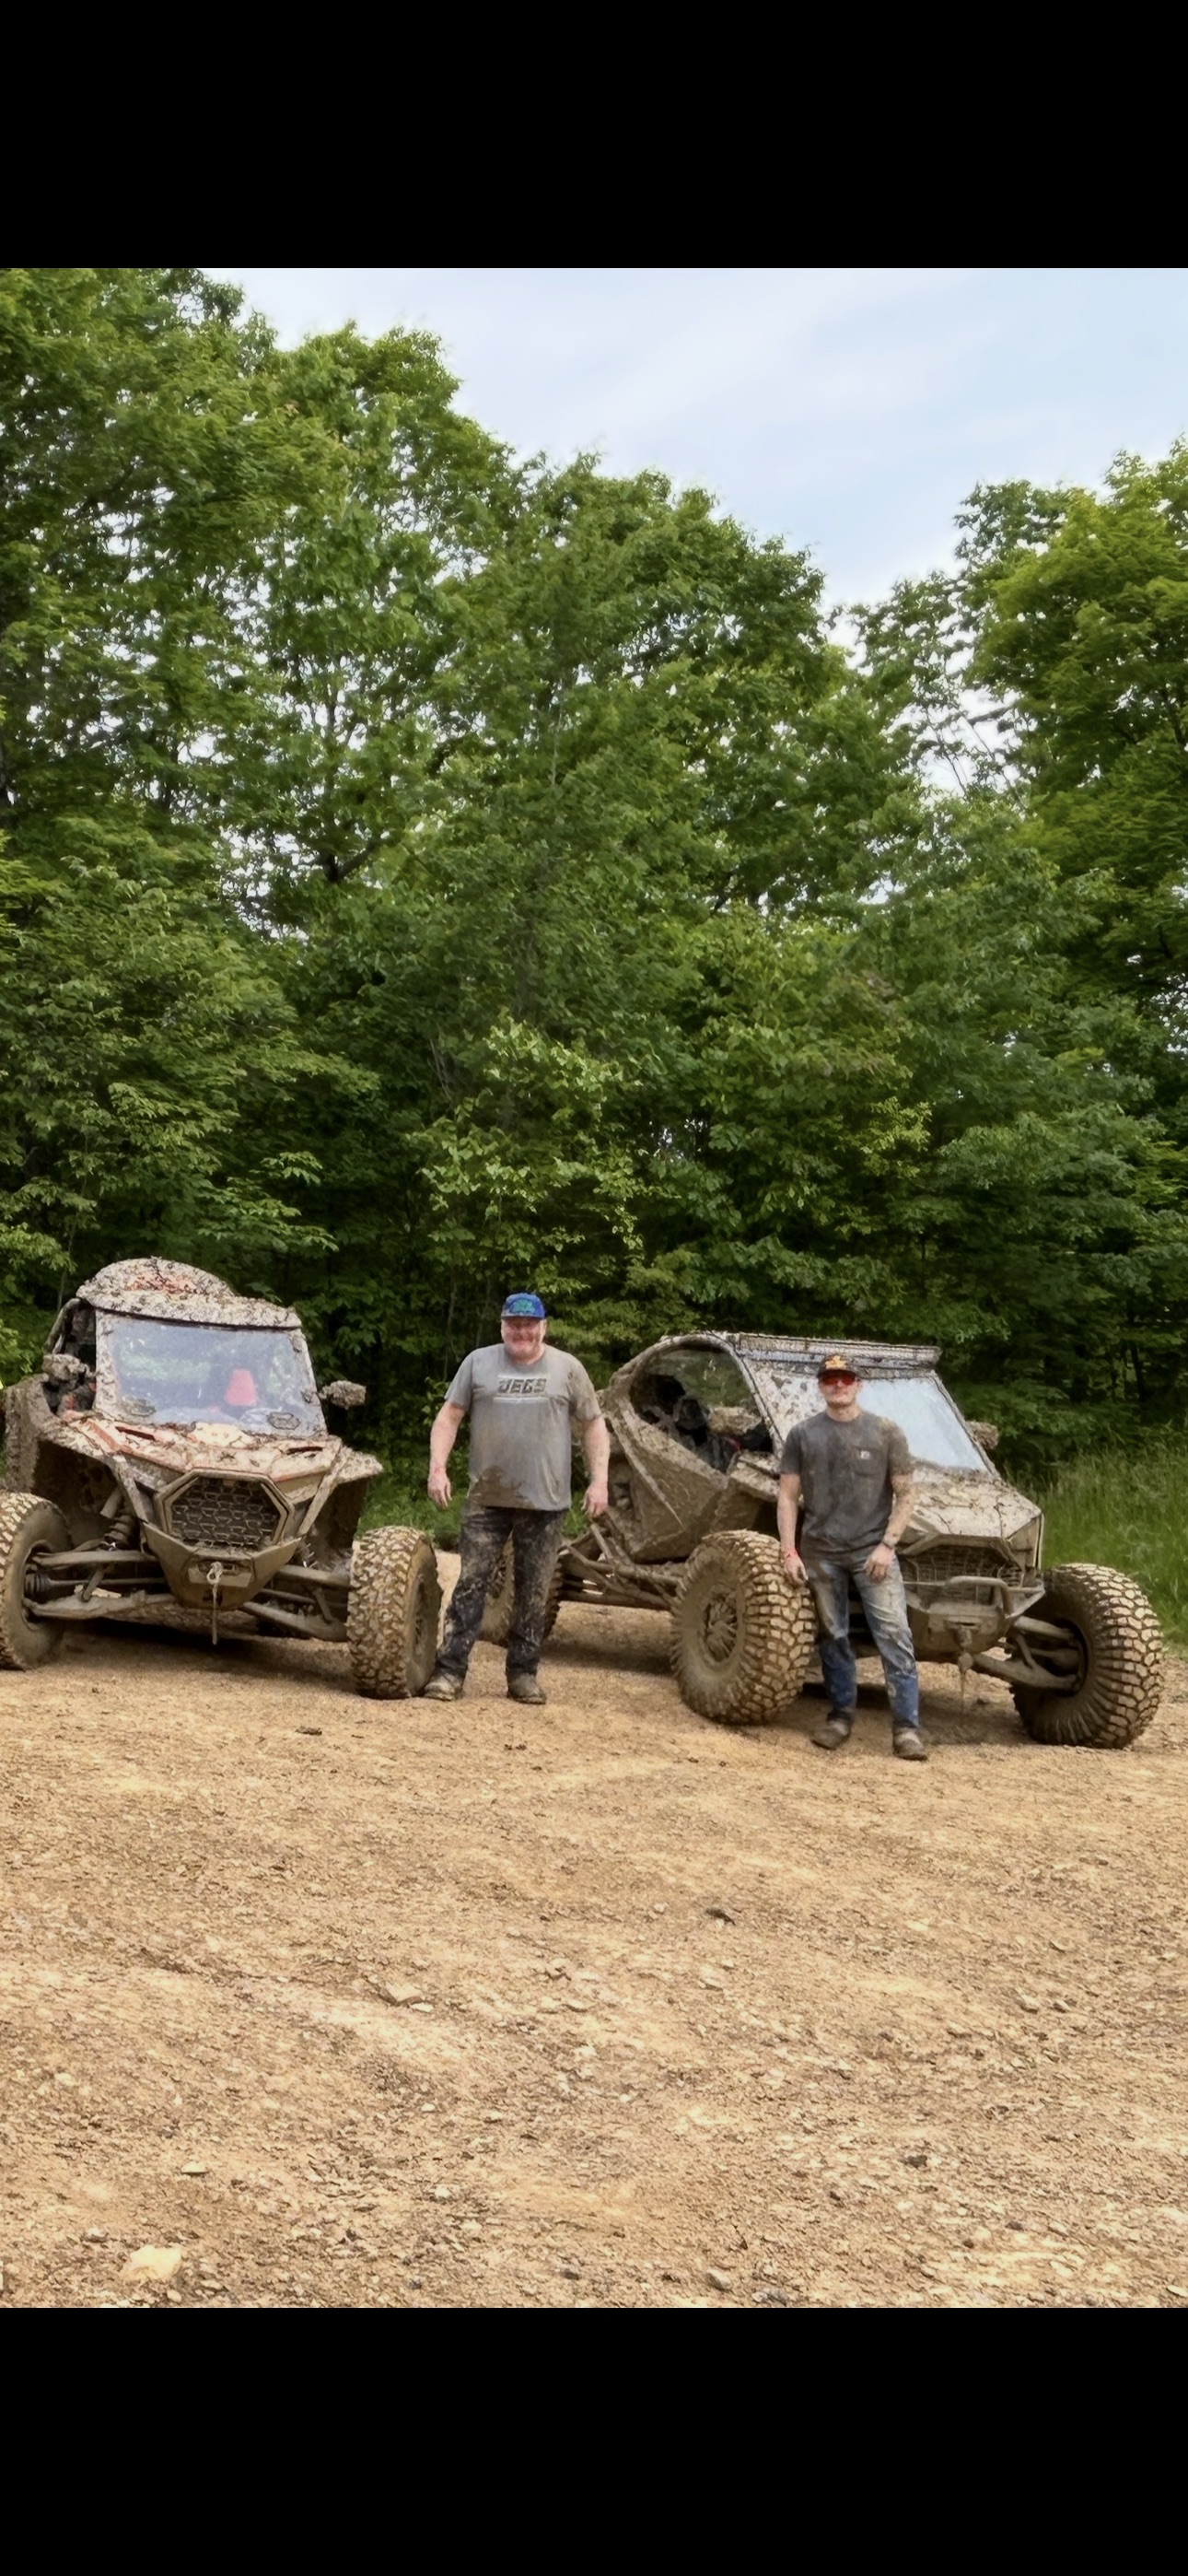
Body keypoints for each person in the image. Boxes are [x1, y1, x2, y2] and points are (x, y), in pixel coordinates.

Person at [422, 1294, 611, 1706]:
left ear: (544, 1326)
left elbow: (594, 1425)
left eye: (529, 1324)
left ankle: (523, 1674)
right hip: (487, 1498)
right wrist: (438, 1468)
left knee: (534, 1589)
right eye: (513, 1324)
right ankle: (450, 1671)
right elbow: (448, 1417)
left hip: (546, 1501)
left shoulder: (567, 1369)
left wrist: (600, 1481)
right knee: (472, 1583)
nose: (521, 1331)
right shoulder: (478, 1363)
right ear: (502, 1326)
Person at [777, 1352, 926, 1761]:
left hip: (871, 1554)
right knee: (834, 1636)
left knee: (894, 1636)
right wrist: (789, 1550)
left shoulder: (885, 1433)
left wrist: (887, 1545)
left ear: (859, 1384)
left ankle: (907, 1729)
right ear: (821, 1386)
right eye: (830, 1379)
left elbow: (907, 1493)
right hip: (820, 1553)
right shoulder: (803, 1435)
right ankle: (840, 1716)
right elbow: (788, 1496)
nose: (838, 1385)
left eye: (845, 1379)